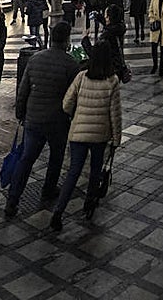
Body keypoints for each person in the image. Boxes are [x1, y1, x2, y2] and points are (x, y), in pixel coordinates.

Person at [5, 22, 81, 218]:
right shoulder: (71, 64)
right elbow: (73, 97)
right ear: (66, 41)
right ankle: (48, 189)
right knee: (56, 157)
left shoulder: (36, 59)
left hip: (34, 119)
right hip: (58, 121)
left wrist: (20, 114)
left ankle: (12, 200)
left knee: (26, 159)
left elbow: (23, 91)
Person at [50, 42, 122, 230]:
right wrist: (116, 139)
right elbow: (115, 114)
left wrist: (76, 116)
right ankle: (89, 205)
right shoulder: (112, 81)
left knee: (73, 172)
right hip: (100, 135)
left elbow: (66, 103)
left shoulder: (82, 77)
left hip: (78, 133)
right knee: (95, 171)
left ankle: (58, 212)